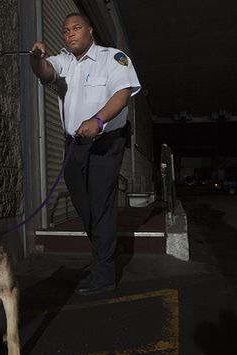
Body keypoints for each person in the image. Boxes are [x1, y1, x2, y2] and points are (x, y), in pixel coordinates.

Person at [30, 13, 141, 295]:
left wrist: (99, 120)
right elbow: (44, 72)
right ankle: (106, 249)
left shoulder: (112, 58)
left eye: (76, 28)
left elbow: (122, 93)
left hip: (106, 142)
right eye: (65, 30)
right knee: (84, 205)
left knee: (101, 204)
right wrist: (36, 57)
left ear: (90, 30)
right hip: (75, 145)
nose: (70, 34)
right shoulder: (63, 60)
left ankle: (103, 273)